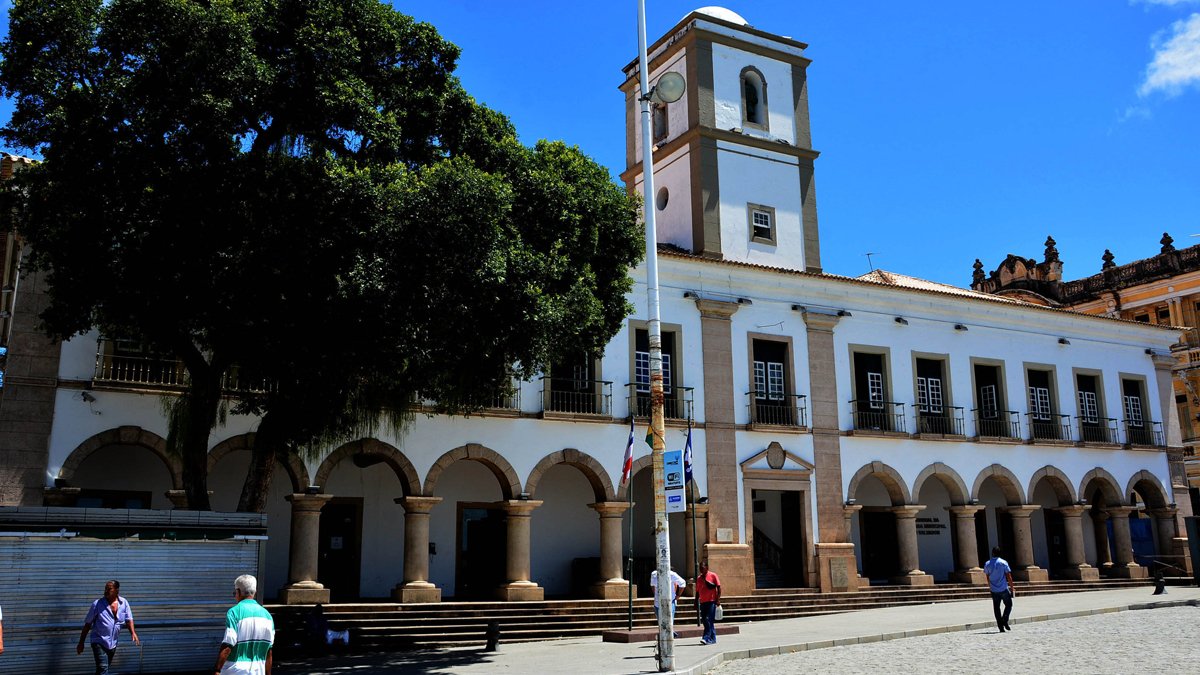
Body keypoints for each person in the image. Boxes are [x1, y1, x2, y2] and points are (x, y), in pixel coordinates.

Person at [214, 574, 275, 675]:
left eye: (235, 593)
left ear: (238, 592)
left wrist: (217, 670)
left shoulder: (234, 612)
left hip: (234, 671)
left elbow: (228, 644)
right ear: (254, 592)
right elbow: (268, 651)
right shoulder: (267, 616)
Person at [77, 580, 140, 675]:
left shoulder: (124, 603)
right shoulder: (97, 604)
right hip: (99, 641)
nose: (106, 591)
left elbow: (128, 619)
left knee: (102, 670)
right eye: (105, 588)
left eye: (109, 589)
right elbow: (87, 624)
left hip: (113, 643)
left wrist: (133, 633)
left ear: (117, 590)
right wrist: (81, 643)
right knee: (103, 669)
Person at [984, 546, 1015, 632]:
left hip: (994, 589)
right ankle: (1004, 620)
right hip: (1003, 588)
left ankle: (1000, 626)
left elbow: (987, 577)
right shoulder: (1003, 562)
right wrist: (1012, 587)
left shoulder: (987, 564)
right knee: (1009, 605)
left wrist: (990, 587)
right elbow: (1009, 576)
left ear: (992, 553)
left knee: (996, 608)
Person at [649, 567, 687, 637]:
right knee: (660, 622)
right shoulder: (654, 574)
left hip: (669, 602)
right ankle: (667, 635)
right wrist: (656, 595)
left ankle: (668, 636)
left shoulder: (672, 574)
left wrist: (678, 595)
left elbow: (683, 583)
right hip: (657, 603)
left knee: (669, 622)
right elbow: (652, 585)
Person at [696, 560, 721, 645]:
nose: (701, 570)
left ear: (707, 568)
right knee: (705, 620)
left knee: (708, 619)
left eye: (702, 568)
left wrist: (718, 599)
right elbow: (697, 591)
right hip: (703, 602)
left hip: (711, 601)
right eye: (700, 568)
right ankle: (713, 638)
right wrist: (696, 601)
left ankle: (706, 638)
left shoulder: (713, 575)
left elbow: (719, 588)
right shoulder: (699, 578)